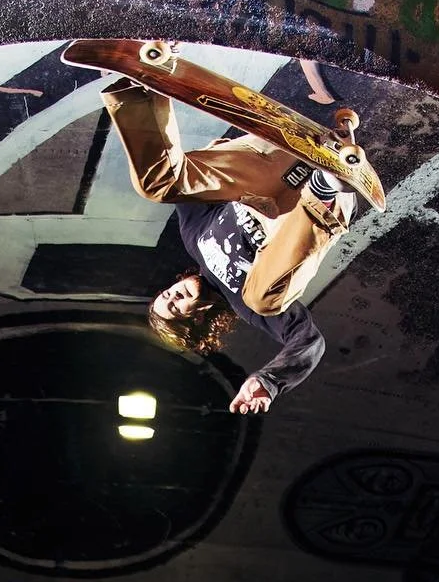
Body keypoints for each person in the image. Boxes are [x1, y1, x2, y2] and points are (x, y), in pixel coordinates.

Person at [101, 75, 359, 415]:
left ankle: (142, 84)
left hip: (273, 166)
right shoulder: (245, 305)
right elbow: (308, 342)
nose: (173, 296)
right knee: (264, 300)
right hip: (310, 204)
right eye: (176, 307)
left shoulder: (193, 237)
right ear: (198, 316)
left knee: (160, 187)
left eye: (167, 296)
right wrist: (269, 381)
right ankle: (325, 188)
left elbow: (188, 176)